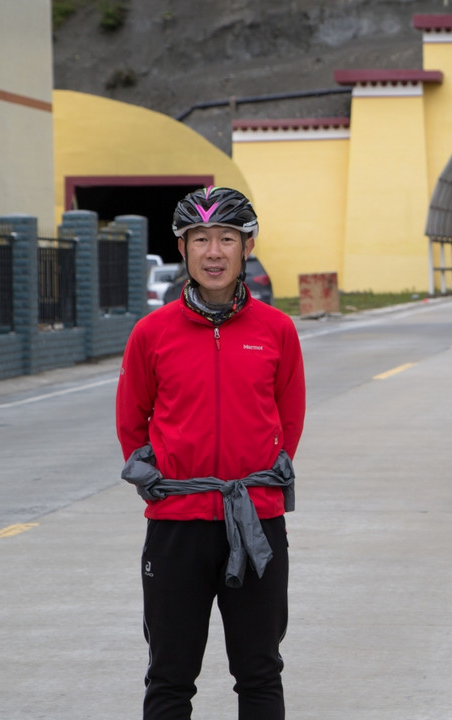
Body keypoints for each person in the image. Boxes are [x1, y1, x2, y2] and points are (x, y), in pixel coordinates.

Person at [116, 186, 307, 719]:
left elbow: (288, 418)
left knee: (260, 672)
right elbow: (132, 418)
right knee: (170, 677)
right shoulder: (152, 333)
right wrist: (156, 475)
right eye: (200, 239)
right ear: (183, 248)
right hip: (177, 525)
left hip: (255, 520)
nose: (214, 251)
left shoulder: (277, 331)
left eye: (227, 237)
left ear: (248, 246)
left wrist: (264, 475)